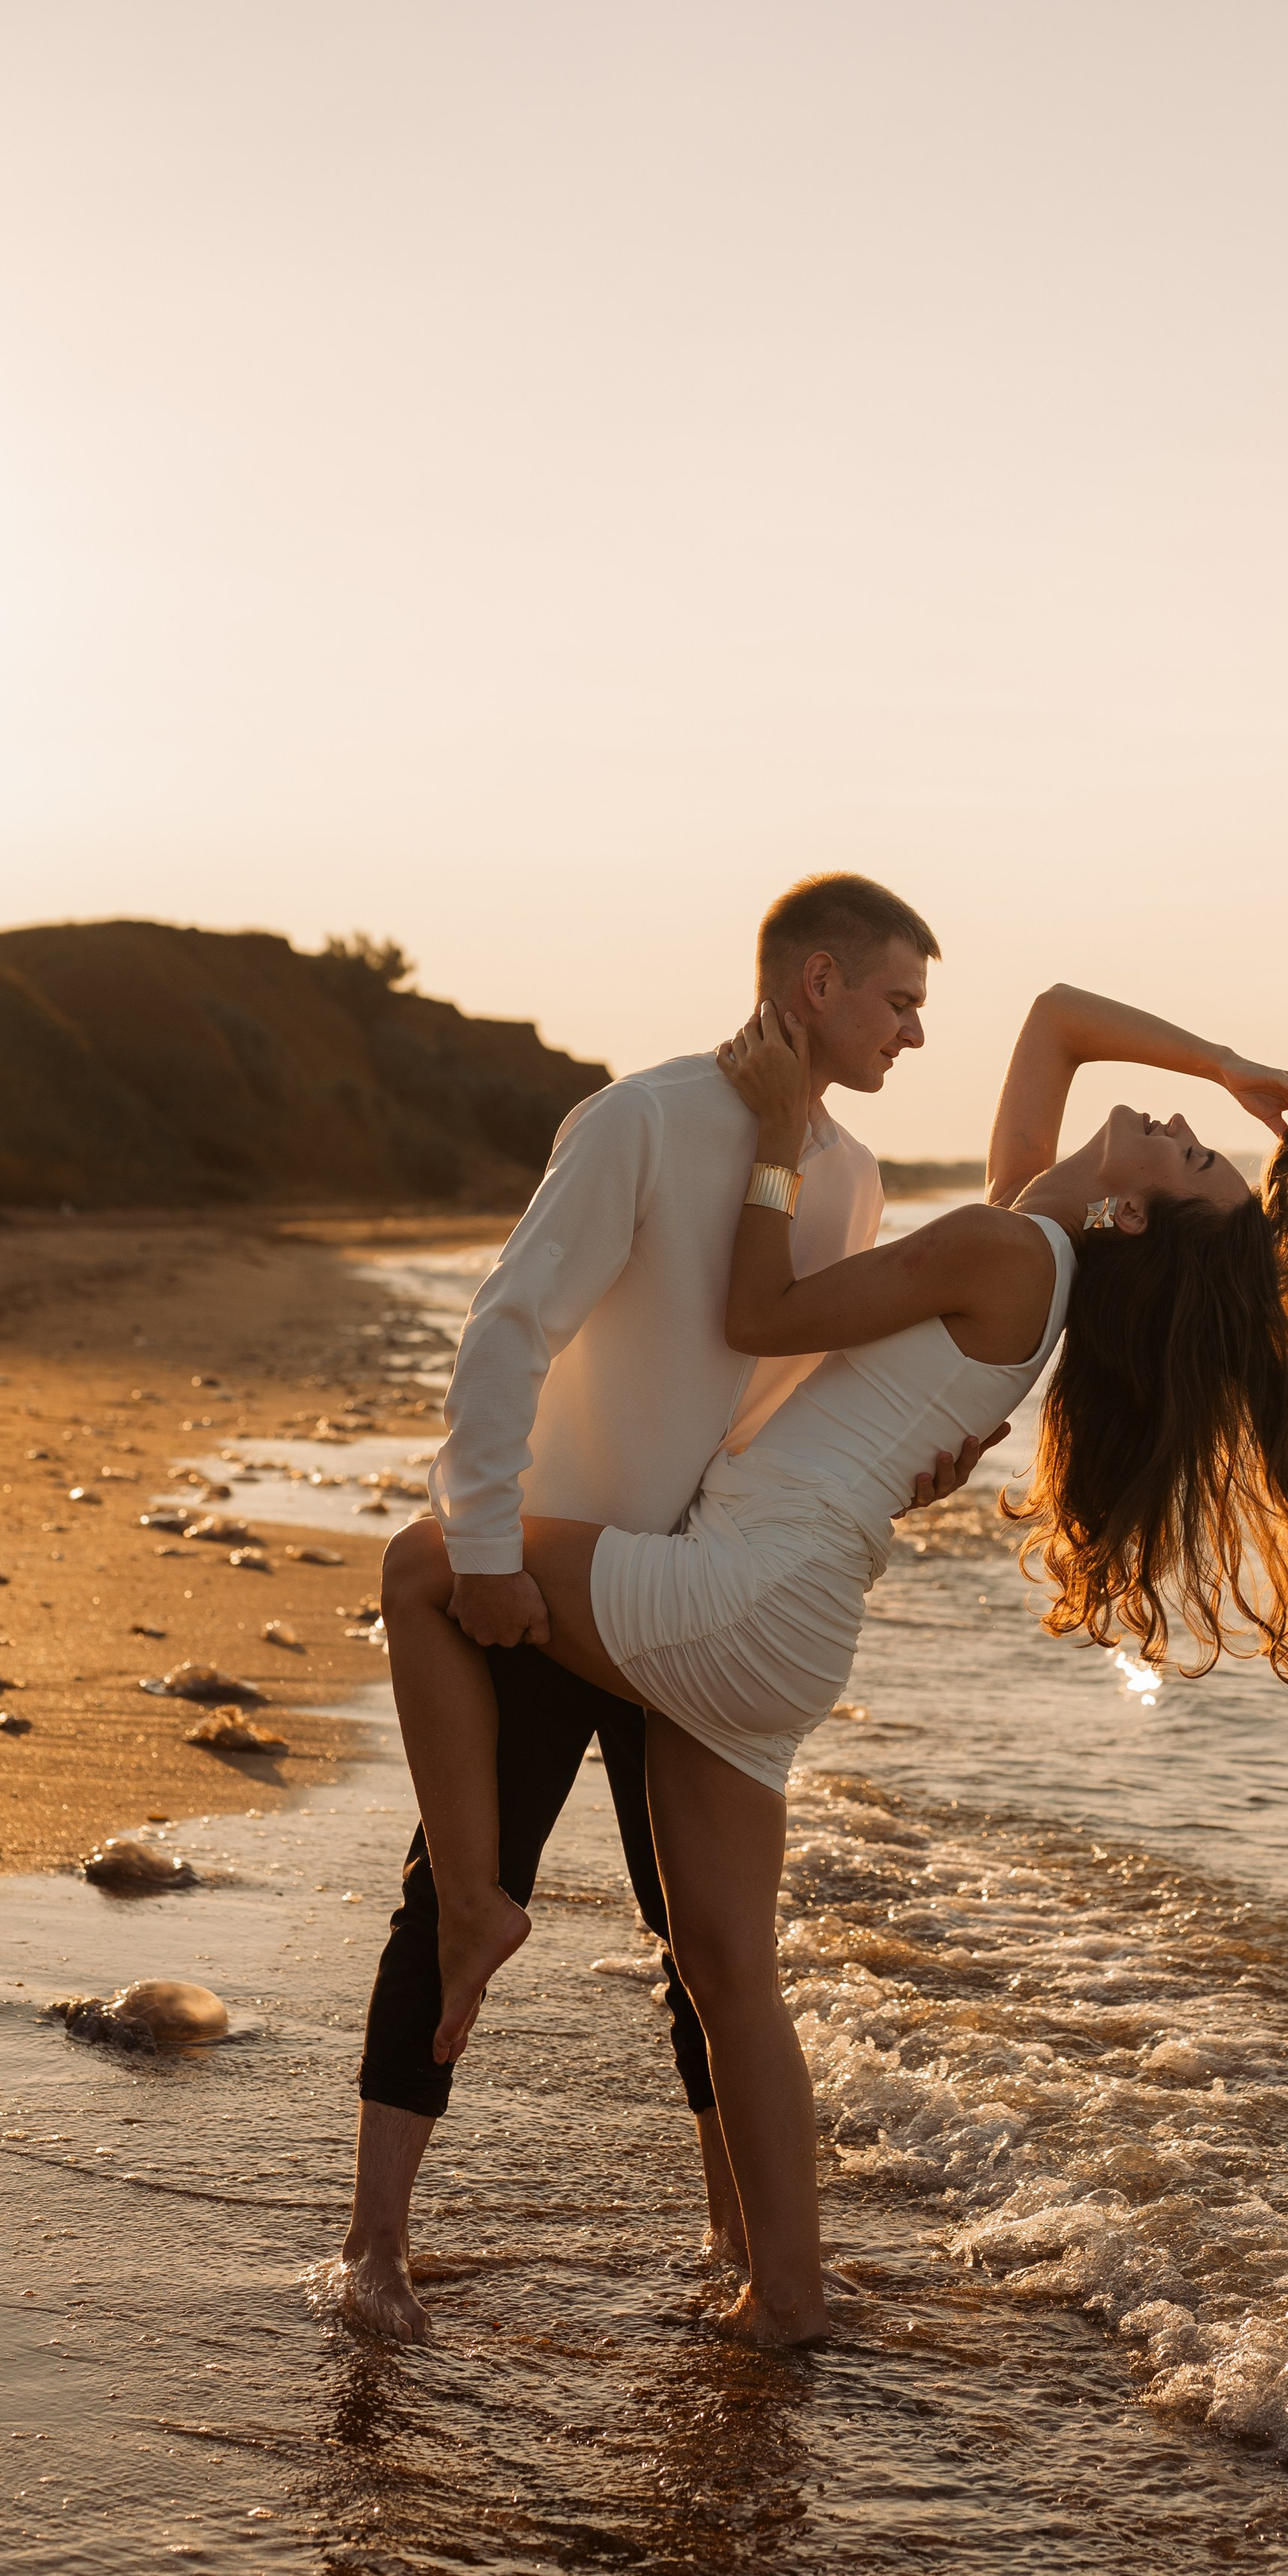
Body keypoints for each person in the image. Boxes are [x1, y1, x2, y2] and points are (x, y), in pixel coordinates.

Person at [381, 979, 1288, 2346]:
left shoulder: (1008, 1252)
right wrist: (1238, 1054)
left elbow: (754, 1310)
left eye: (1190, 1151)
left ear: (1132, 1214)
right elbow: (1056, 1021)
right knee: (729, 1971)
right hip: (789, 1625)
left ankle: (477, 1902)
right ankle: (786, 2299)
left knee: (427, 1567)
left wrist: (783, 1132)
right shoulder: (1027, 1234)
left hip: (743, 1588)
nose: (1184, 1121)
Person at [338, 872, 996, 2342]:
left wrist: (908, 1476)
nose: (913, 1033)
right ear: (817, 984)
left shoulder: (849, 1175)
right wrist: (492, 1545)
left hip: (692, 1601)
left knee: (702, 1943)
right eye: (900, 1001)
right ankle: (377, 2247)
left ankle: (738, 2237)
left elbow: (798, 1401)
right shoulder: (640, 1118)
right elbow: (512, 1321)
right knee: (450, 1901)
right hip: (549, 1581)